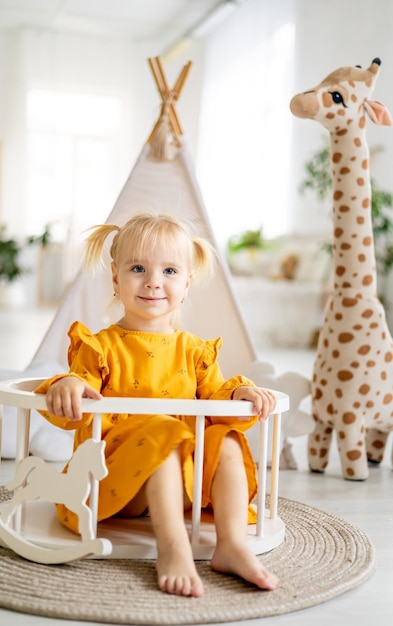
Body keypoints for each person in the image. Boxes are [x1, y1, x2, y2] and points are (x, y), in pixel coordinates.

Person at [36, 213, 278, 598]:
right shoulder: (100, 347)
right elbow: (79, 389)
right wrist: (67, 384)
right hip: (115, 484)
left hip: (182, 488)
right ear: (115, 278)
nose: (153, 281)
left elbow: (215, 399)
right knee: (163, 433)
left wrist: (238, 394)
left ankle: (231, 545)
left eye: (169, 270)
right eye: (138, 268)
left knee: (226, 438)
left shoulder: (195, 352)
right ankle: (172, 547)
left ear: (186, 284)